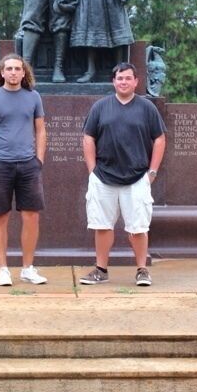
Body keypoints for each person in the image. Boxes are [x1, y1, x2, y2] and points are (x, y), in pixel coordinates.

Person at [79, 62, 166, 286]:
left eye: (128, 78)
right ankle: (101, 270)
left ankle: (142, 270)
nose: (124, 82)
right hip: (104, 177)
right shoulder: (100, 107)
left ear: (136, 82)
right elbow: (89, 138)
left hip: (137, 177)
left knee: (138, 227)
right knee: (102, 225)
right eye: (120, 78)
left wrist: (152, 172)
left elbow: (159, 138)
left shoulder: (147, 108)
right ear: (113, 81)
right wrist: (92, 171)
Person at [0, 53, 48, 285]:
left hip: (28, 165)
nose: (14, 72)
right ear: (2, 73)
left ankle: (28, 268)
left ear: (24, 72)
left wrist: (39, 159)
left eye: (18, 69)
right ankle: (4, 269)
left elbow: (41, 129)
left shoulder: (33, 97)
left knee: (31, 216)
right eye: (10, 69)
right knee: (0, 216)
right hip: (1, 165)